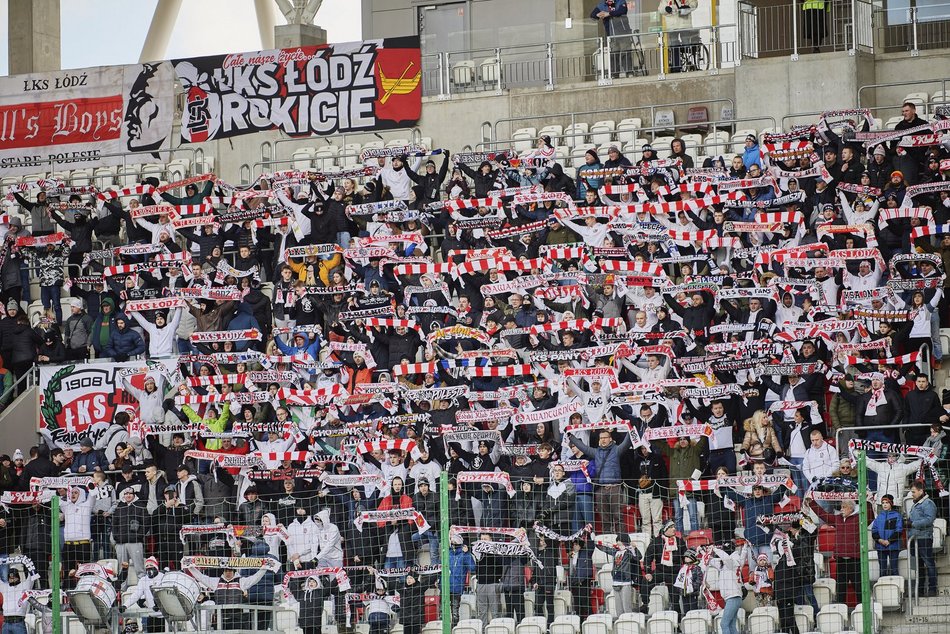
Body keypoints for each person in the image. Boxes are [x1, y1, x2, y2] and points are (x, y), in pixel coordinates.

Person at [805, 496, 869, 605]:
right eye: (841, 507)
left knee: (859, 587)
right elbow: (824, 515)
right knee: (840, 588)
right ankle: (840, 610)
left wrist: (868, 501)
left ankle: (862, 610)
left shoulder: (859, 519)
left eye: (844, 507)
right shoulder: (837, 518)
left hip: (855, 559)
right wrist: (812, 503)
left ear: (851, 508)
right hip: (841, 559)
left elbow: (870, 516)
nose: (841, 509)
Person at [568, 428, 632, 535]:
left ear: (610, 439)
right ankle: (607, 542)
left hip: (615, 487)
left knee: (618, 517)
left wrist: (631, 429)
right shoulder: (596, 452)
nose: (603, 440)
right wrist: (571, 436)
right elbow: (582, 447)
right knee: (605, 518)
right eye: (601, 438)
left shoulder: (616, 450)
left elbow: (626, 443)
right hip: (600, 489)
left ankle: (622, 541)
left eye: (605, 437)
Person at [907, 480, 938, 596]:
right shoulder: (916, 504)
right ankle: (919, 589)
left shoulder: (928, 503)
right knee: (917, 565)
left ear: (921, 491)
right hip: (914, 538)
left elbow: (929, 520)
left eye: (913, 492)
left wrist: (913, 524)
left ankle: (932, 588)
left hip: (924, 537)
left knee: (928, 563)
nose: (912, 494)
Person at [0, 565, 39, 634]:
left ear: (18, 577)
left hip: (18, 623)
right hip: (6, 623)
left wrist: (28, 563)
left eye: (14, 577)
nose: (12, 579)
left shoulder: (25, 585)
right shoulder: (4, 587)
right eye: (10, 578)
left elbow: (33, 575)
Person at [871, 494, 903, 577]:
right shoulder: (879, 517)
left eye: (887, 502)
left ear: (891, 503)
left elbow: (899, 530)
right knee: (882, 570)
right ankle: (882, 588)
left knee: (894, 569)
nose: (884, 504)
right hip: (880, 547)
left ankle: (896, 587)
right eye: (883, 502)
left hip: (893, 546)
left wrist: (889, 541)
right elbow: (874, 530)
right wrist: (880, 540)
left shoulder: (897, 515)